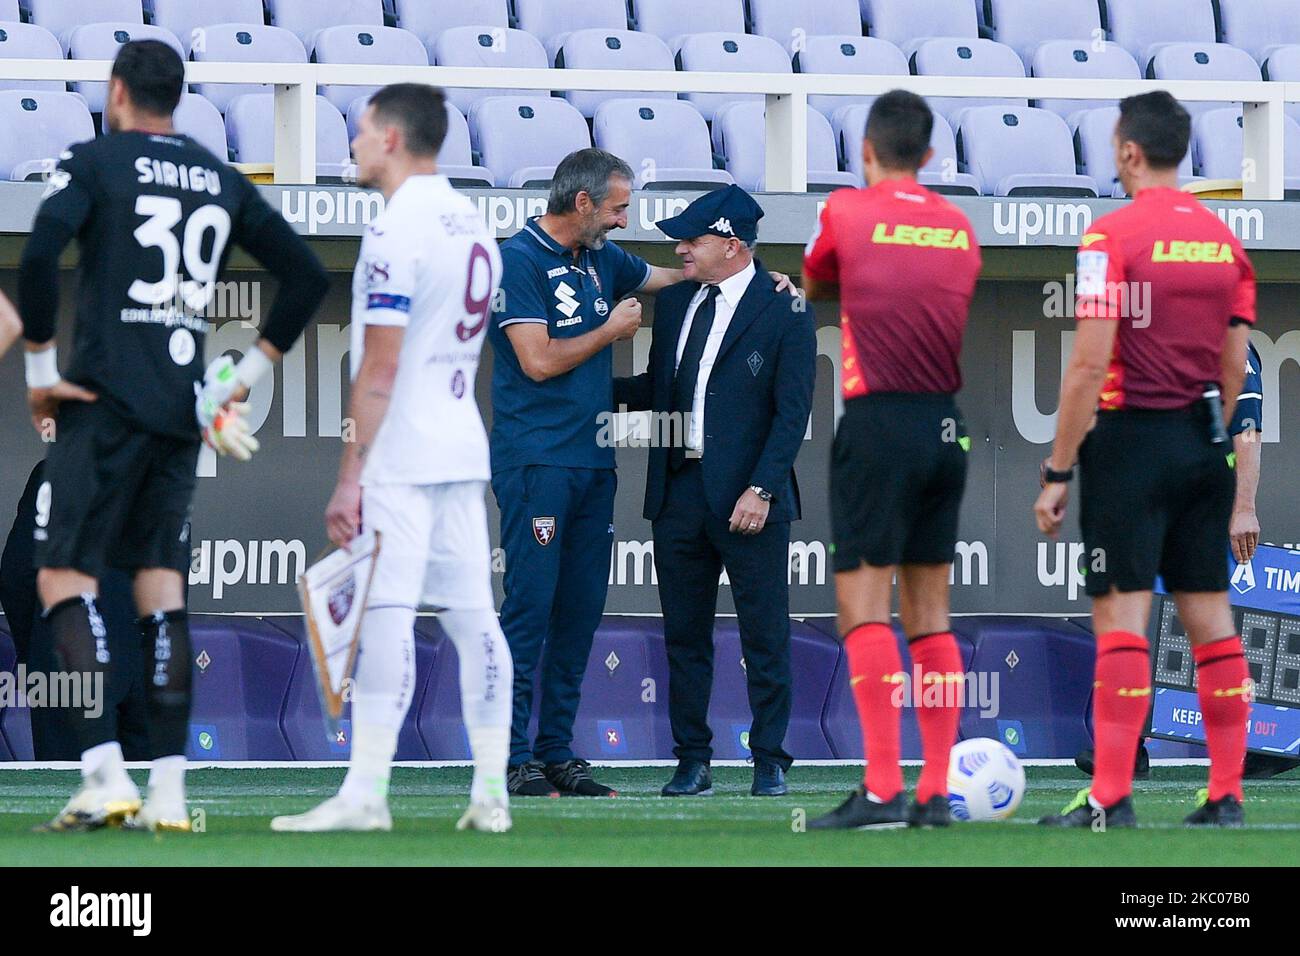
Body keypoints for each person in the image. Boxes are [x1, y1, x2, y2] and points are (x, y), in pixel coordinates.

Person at [18, 40, 328, 832]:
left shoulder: (95, 159)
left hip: (104, 399)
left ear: (118, 92)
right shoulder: (217, 175)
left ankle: (102, 774)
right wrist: (240, 378)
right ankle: (169, 792)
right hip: (181, 408)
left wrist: (40, 372)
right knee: (161, 592)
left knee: (64, 579)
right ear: (178, 98)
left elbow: (42, 252)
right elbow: (306, 276)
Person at [489, 148, 793, 797]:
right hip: (537, 459)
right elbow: (538, 362)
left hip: (596, 461)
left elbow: (672, 278)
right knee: (530, 609)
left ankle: (558, 753)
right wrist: (608, 330)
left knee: (578, 613)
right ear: (583, 204)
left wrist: (769, 281)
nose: (626, 221)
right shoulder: (518, 260)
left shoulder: (604, 259)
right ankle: (511, 755)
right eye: (620, 208)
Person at [271, 83, 514, 834]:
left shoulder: (395, 229)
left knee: (387, 614)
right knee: (476, 620)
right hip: (460, 441)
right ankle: (492, 795)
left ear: (394, 139)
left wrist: (351, 476)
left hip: (405, 451)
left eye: (362, 129)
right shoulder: (475, 223)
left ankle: (367, 792)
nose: (352, 142)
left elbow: (378, 370)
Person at [1035, 91, 1255, 828]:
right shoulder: (1225, 245)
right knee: (1212, 622)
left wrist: (1060, 468)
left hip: (1130, 440)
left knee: (1122, 621)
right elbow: (1234, 371)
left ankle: (1111, 797)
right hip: (1202, 439)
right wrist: (1203, 439)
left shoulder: (1110, 237)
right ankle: (1226, 795)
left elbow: (1088, 365)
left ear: (1129, 150)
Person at [801, 90, 982, 829]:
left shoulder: (846, 209)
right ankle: (936, 789)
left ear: (866, 151)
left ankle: (881, 787)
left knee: (864, 610)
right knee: (932, 615)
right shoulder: (960, 225)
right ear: (931, 157)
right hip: (946, 426)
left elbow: (819, 281)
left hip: (878, 423)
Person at [613, 186, 815, 798]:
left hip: (750, 498)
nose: (681, 250)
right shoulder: (676, 302)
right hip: (678, 491)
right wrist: (585, 382)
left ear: (731, 245)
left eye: (692, 240)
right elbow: (658, 385)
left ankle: (770, 760)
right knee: (684, 632)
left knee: (764, 631)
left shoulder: (786, 308)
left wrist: (762, 488)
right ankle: (692, 759)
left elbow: (792, 413)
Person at [1073, 340, 1269, 780]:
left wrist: (1243, 507)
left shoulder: (1229, 340)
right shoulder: (1145, 338)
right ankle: (1125, 750)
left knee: (1208, 627)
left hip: (1204, 505)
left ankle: (1256, 749)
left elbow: (1248, 429)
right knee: (1139, 622)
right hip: (1144, 499)